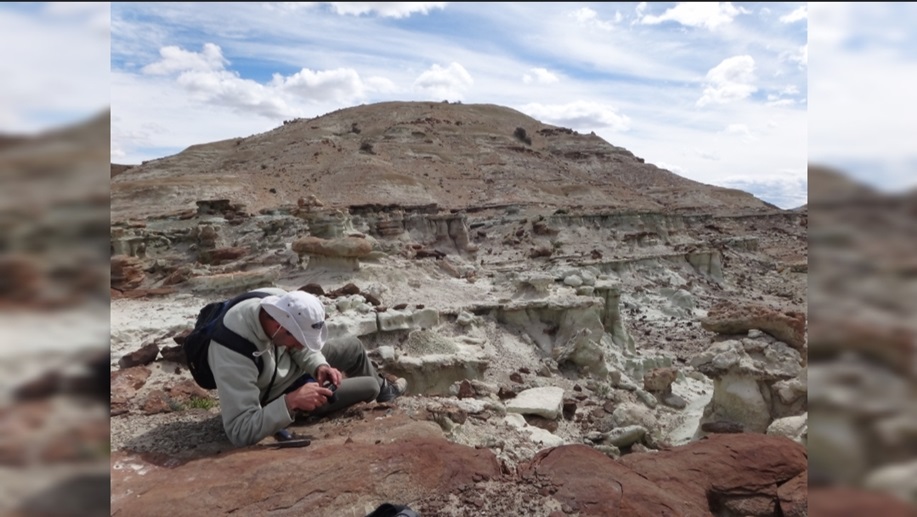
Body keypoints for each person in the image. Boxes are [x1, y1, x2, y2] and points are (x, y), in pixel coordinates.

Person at [208, 287, 407, 446]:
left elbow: (299, 348)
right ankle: (376, 390)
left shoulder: (278, 300)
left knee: (353, 347)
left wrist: (319, 365)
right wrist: (291, 402)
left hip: (284, 368)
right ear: (280, 328)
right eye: (299, 339)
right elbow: (239, 431)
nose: (302, 346)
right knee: (368, 385)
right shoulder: (232, 351)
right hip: (273, 395)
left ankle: (385, 394)